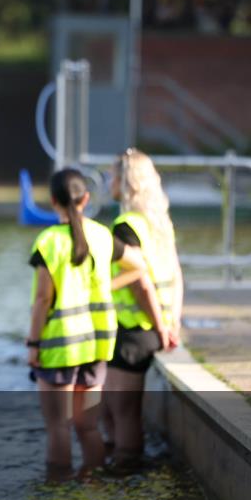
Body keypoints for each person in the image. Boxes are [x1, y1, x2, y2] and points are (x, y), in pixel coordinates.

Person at [26, 168, 168, 481]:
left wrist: (33, 344)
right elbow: (140, 267)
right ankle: (94, 485)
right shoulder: (102, 235)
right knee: (88, 426)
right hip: (96, 348)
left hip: (58, 350)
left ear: (53, 202)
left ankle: (59, 492)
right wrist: (109, 284)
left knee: (58, 427)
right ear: (86, 199)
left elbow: (42, 301)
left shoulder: (48, 241)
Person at [102, 148, 184, 467]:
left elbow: (139, 283)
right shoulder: (159, 223)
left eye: (113, 175)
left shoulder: (126, 226)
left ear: (126, 182)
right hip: (153, 326)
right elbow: (176, 274)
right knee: (115, 410)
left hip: (135, 330)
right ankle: (120, 466)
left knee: (122, 414)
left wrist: (161, 326)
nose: (109, 181)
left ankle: (125, 477)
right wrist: (171, 320)